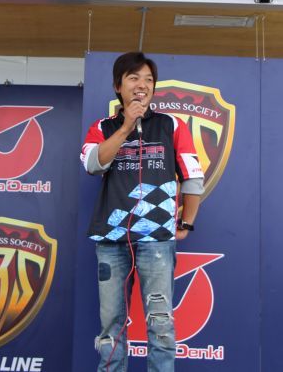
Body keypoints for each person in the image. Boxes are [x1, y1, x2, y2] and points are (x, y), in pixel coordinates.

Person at [81, 52, 205, 372]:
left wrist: (187, 222)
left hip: (157, 239)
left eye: (149, 80)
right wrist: (126, 127)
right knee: (111, 324)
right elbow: (93, 165)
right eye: (134, 78)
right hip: (112, 238)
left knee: (161, 323)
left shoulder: (171, 124)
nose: (143, 85)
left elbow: (193, 177)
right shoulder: (103, 127)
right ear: (118, 86)